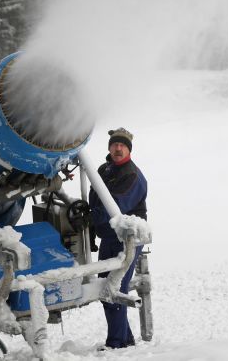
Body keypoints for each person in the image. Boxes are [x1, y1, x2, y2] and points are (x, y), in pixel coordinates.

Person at [88, 127, 147, 350]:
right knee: (105, 288)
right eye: (115, 144)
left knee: (114, 289)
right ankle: (125, 338)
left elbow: (116, 206)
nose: (118, 148)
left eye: (122, 145)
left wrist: (91, 218)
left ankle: (116, 343)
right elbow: (95, 198)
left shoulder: (132, 175)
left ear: (129, 149)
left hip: (128, 240)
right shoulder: (104, 169)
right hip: (109, 237)